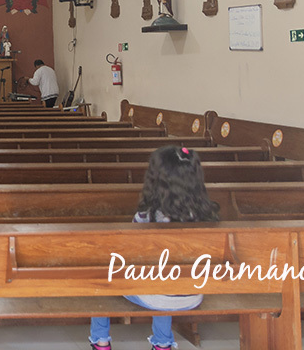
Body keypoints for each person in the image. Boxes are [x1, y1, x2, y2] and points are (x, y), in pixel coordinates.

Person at [89, 146, 220, 350]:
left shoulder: (147, 217)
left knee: (100, 277)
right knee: (170, 274)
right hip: (195, 293)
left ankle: (101, 340)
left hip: (157, 295)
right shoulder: (207, 215)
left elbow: (131, 256)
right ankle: (163, 342)